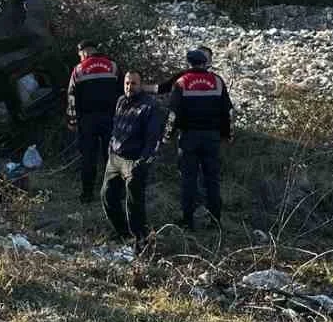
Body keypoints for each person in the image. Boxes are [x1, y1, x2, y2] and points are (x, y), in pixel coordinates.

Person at [168, 48, 233, 230]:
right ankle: (215, 221)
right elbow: (227, 112)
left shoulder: (182, 82)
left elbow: (173, 114)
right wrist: (227, 135)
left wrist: (167, 136)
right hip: (211, 138)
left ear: (188, 64)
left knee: (188, 179)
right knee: (212, 180)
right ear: (205, 63)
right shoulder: (217, 81)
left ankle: (188, 221)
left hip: (188, 138)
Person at [102, 71, 165, 255]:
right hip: (115, 158)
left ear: (141, 84)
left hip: (135, 161)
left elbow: (153, 138)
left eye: (134, 84)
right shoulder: (121, 101)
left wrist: (143, 161)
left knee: (134, 204)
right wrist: (110, 150)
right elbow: (116, 127)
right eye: (127, 83)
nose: (130, 87)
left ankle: (142, 242)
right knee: (107, 196)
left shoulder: (150, 106)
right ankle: (123, 234)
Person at [67, 41, 121, 203]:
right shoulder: (113, 66)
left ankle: (87, 194)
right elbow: (123, 93)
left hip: (87, 120)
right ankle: (114, 194)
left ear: (83, 52)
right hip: (111, 119)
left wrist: (72, 120)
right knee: (111, 156)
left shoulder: (78, 70)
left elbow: (71, 97)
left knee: (88, 157)